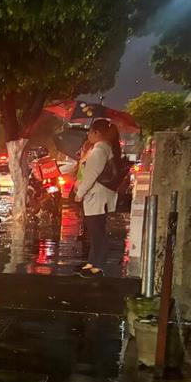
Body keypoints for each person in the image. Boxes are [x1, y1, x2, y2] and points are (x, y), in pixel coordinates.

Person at [73, 118, 120, 278]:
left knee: (97, 233)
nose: (88, 135)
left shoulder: (100, 150)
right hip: (98, 197)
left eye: (90, 132)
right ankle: (92, 263)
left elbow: (91, 175)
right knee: (95, 233)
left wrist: (79, 194)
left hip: (96, 197)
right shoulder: (102, 149)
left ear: (97, 132)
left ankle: (97, 266)